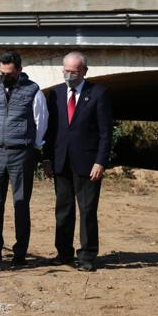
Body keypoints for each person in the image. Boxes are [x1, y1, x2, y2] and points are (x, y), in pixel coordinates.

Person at [43, 51, 113, 272]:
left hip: (88, 164)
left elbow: (105, 133)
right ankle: (63, 253)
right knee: (63, 210)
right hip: (60, 161)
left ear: (84, 71)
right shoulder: (54, 94)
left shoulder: (99, 94)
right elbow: (49, 130)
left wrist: (100, 161)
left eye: (74, 71)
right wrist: (46, 158)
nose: (69, 75)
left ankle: (87, 256)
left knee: (87, 211)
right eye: (66, 71)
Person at [0, 51, 49, 267]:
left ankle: (20, 252)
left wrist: (34, 146)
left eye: (8, 73)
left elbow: (41, 121)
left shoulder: (34, 91)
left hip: (21, 152)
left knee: (21, 204)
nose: (4, 77)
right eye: (2, 72)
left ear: (19, 70)